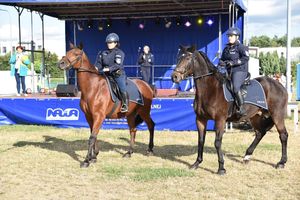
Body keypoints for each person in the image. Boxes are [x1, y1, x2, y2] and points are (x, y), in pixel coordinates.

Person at [218, 27, 249, 115]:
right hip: (228, 71)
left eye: (231, 36)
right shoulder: (226, 49)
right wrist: (221, 63)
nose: (229, 37)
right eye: (228, 36)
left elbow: (246, 58)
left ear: (237, 37)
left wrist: (233, 63)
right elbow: (222, 59)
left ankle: (241, 107)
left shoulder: (241, 47)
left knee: (235, 87)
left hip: (240, 71)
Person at [94, 33, 128, 113]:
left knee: (122, 87)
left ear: (116, 43)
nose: (109, 44)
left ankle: (124, 104)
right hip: (105, 75)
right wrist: (96, 67)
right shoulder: (103, 53)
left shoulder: (119, 53)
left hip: (117, 75)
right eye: (108, 43)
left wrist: (108, 69)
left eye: (111, 42)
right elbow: (98, 63)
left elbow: (117, 65)